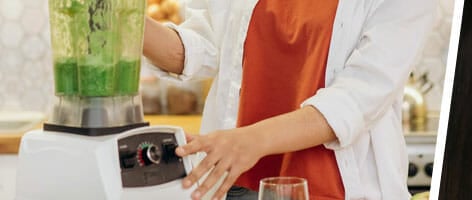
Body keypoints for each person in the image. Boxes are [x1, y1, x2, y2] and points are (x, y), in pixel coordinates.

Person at [142, 0, 437, 199]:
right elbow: (204, 48)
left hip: (337, 189)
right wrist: (123, 16)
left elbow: (357, 97)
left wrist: (249, 141)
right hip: (236, 186)